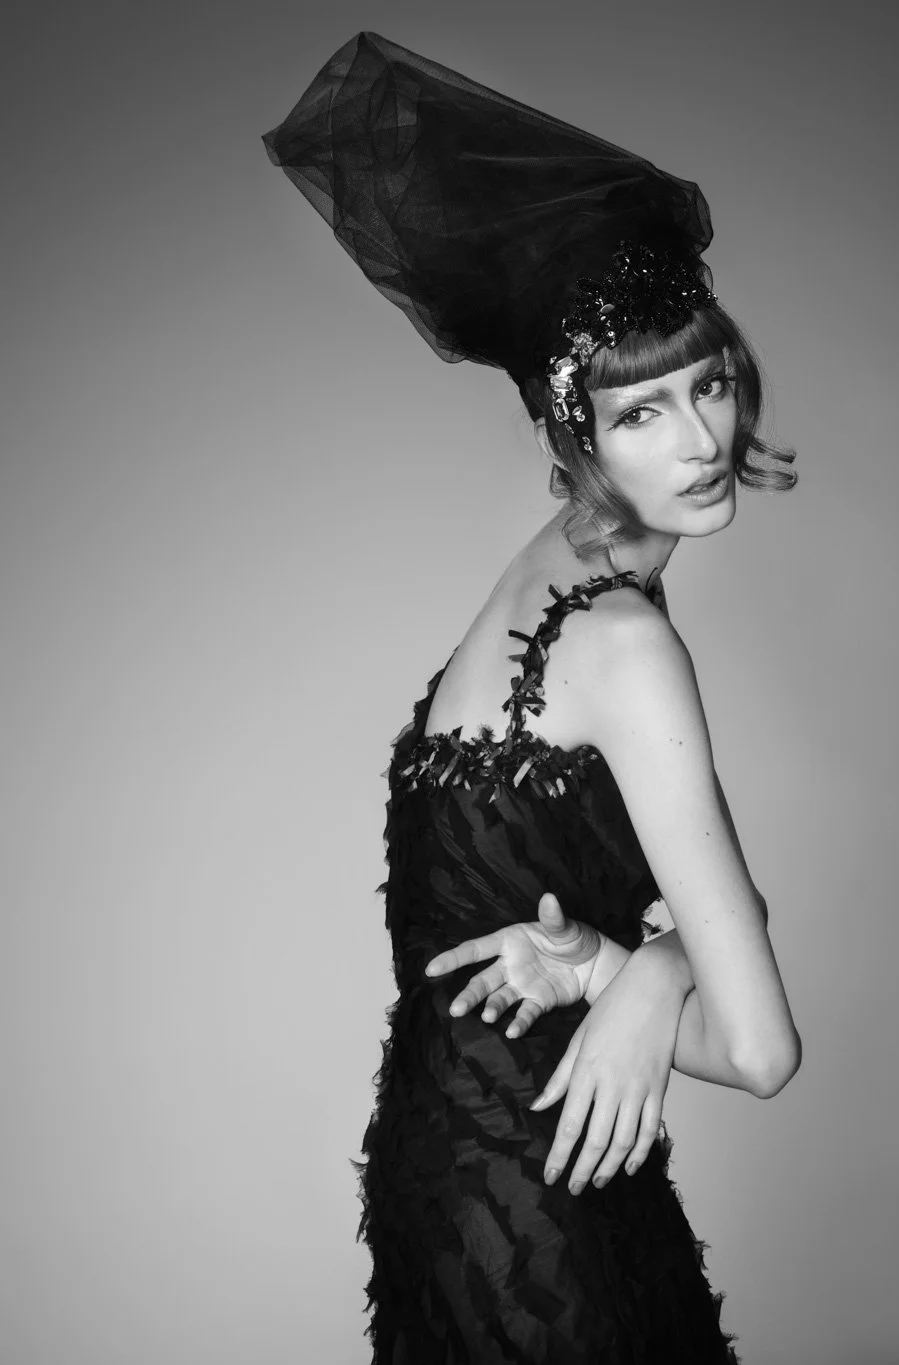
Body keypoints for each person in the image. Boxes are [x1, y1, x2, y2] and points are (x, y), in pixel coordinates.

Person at [264, 31, 801, 1363]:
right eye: (641, 414)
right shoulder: (623, 644)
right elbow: (764, 1049)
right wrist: (645, 971)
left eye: (710, 385)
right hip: (535, 1187)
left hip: (466, 1162)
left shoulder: (537, 589)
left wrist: (639, 973)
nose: (696, 440)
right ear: (572, 433)